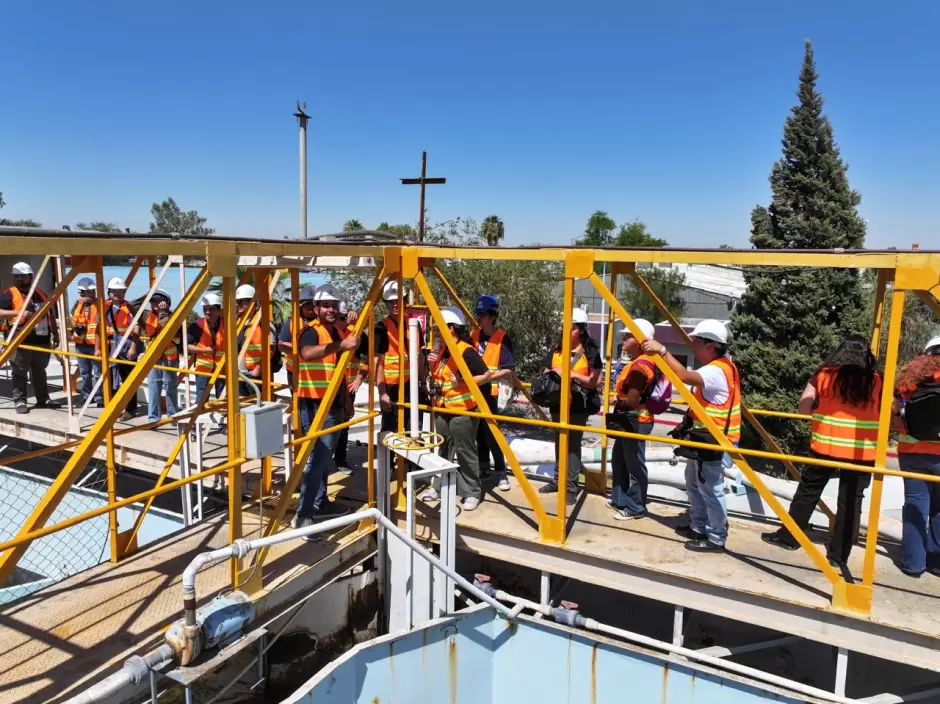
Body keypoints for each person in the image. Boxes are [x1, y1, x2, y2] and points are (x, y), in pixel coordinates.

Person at [761, 335, 881, 566]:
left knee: (808, 492)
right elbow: (893, 410)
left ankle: (789, 537)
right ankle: (838, 556)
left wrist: (823, 411)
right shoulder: (878, 380)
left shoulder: (824, 375)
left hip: (825, 446)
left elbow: (805, 405)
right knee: (850, 501)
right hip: (862, 453)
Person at [641, 319, 740, 553]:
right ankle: (699, 526)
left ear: (711, 345)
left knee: (710, 489)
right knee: (694, 484)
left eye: (695, 340)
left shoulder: (716, 370)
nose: (691, 344)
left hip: (714, 440)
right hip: (703, 438)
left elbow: (684, 376)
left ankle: (716, 538)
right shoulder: (723, 366)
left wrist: (663, 351)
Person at [293, 284, 360, 535]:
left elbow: (343, 366)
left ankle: (319, 504)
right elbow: (307, 354)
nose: (331, 309)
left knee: (321, 459)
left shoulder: (336, 332)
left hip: (332, 403)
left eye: (335, 305)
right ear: (316, 309)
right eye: (326, 306)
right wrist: (339, 346)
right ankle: (304, 514)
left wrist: (348, 402)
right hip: (313, 405)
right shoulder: (311, 332)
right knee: (318, 458)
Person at [423, 307, 492, 511]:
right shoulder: (440, 350)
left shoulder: (466, 351)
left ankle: (471, 492)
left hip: (463, 410)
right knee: (442, 448)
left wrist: (462, 381)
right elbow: (439, 378)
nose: (435, 332)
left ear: (451, 329)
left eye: (439, 328)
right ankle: (439, 486)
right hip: (443, 407)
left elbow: (486, 375)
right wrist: (430, 364)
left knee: (465, 450)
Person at [538, 308, 603, 505]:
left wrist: (572, 374)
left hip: (578, 405)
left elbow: (596, 382)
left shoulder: (590, 352)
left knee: (573, 447)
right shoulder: (556, 348)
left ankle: (571, 487)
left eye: (571, 327)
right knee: (559, 441)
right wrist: (552, 373)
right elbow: (545, 370)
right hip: (558, 402)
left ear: (581, 330)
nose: (566, 330)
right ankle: (558, 481)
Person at [893, 335, 940, 577]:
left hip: (911, 450)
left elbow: (894, 409)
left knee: (915, 505)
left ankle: (913, 563)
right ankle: (937, 562)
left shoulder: (909, 375)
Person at [609, 319, 659, 521]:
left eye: (628, 336)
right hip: (628, 419)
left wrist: (616, 402)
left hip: (636, 420)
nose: (623, 339)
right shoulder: (637, 362)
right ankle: (620, 499)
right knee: (619, 460)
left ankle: (635, 507)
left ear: (640, 340)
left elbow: (632, 401)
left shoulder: (641, 366)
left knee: (635, 465)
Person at [0, 262, 60, 414]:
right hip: (20, 340)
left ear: (30, 277)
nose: (20, 279)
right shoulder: (9, 293)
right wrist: (18, 314)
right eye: (17, 276)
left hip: (41, 340)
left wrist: (55, 333)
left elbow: (49, 315)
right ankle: (20, 401)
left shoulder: (40, 293)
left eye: (23, 276)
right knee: (19, 372)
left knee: (40, 371)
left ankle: (43, 399)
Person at [471, 295, 516, 492]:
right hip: (473, 390)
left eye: (481, 315)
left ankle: (500, 471)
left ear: (492, 317)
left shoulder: (502, 338)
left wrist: (489, 377)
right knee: (479, 433)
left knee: (492, 433)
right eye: (477, 314)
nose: (478, 318)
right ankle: (484, 469)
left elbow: (508, 368)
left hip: (491, 391)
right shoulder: (472, 336)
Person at [375, 280, 425, 433]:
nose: (395, 305)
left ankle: (410, 458)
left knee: (414, 428)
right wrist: (382, 392)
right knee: (391, 430)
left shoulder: (414, 325)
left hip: (411, 385)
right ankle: (389, 458)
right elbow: (378, 362)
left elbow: (419, 357)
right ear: (386, 304)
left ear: (404, 301)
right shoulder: (381, 327)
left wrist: (423, 383)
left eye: (398, 301)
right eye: (391, 302)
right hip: (391, 387)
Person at [333, 301, 369, 475]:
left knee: (343, 424)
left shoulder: (355, 333)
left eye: (342, 317)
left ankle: (340, 460)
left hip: (347, 388)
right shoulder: (326, 332)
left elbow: (372, 356)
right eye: (337, 318)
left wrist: (359, 379)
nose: (339, 321)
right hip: (326, 388)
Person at [138, 288, 182, 423]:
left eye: (159, 302)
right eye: (153, 302)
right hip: (153, 357)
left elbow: (166, 325)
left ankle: (172, 416)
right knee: (153, 387)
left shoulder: (174, 316)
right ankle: (153, 418)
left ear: (167, 303)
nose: (155, 305)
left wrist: (163, 311)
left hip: (170, 358)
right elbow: (133, 305)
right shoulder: (146, 316)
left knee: (170, 387)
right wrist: (147, 295)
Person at [100, 277, 138, 421]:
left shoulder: (129, 307)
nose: (117, 294)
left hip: (126, 346)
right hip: (110, 347)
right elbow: (98, 327)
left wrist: (133, 347)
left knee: (128, 379)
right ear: (109, 292)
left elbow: (137, 328)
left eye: (120, 291)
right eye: (114, 291)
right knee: (110, 379)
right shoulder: (105, 306)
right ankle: (113, 407)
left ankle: (130, 409)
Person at [236, 284, 277, 399]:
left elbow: (271, 349)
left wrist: (258, 368)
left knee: (256, 404)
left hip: (255, 373)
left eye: (241, 301)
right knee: (242, 405)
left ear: (252, 302)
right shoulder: (237, 322)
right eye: (237, 301)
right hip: (240, 373)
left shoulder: (263, 322)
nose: (237, 304)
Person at [279, 286, 318, 392]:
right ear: (300, 307)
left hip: (318, 374)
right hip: (295, 371)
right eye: (306, 304)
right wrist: (300, 350)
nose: (310, 307)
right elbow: (281, 345)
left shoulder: (324, 323)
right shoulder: (292, 322)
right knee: (297, 402)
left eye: (312, 304)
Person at [188, 293, 225, 403]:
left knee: (222, 400)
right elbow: (188, 346)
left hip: (222, 368)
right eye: (205, 309)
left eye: (211, 309)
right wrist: (204, 350)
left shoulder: (227, 324)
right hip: (203, 370)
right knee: (201, 401)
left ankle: (223, 420)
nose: (207, 312)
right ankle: (199, 419)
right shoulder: (197, 325)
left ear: (219, 310)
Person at [70, 278, 102, 407]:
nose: (92, 293)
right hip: (81, 344)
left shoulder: (99, 303)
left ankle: (100, 396)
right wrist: (76, 326)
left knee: (98, 372)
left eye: (93, 291)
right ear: (82, 293)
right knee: (84, 372)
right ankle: (86, 395)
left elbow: (102, 316)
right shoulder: (78, 304)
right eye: (89, 292)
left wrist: (93, 301)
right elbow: (72, 318)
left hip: (95, 344)